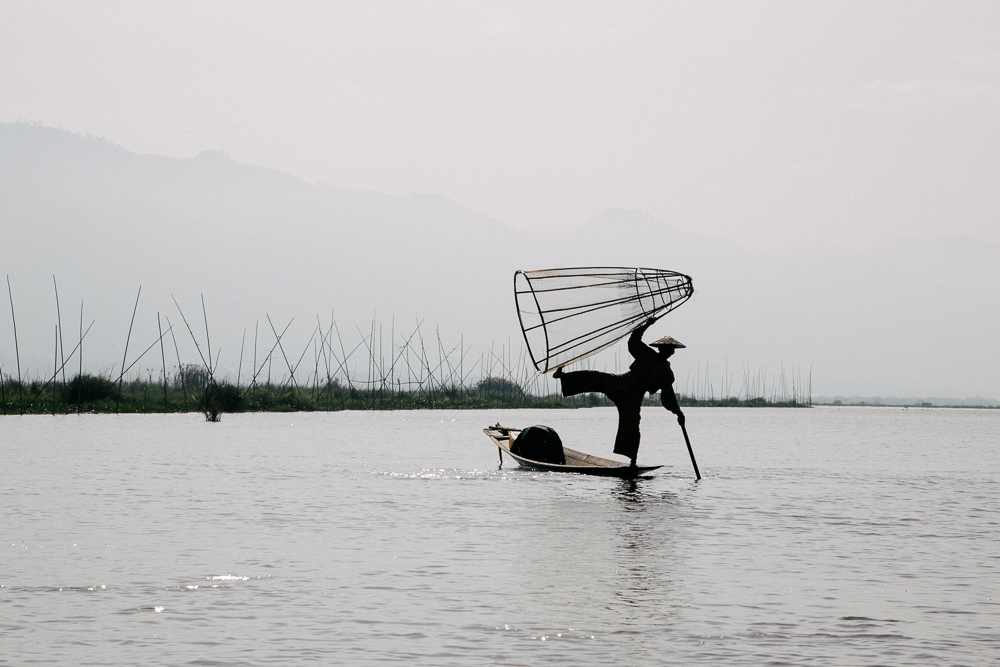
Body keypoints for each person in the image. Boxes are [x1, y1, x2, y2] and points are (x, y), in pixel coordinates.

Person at [553, 319, 685, 467]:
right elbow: (633, 341)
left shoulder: (667, 374)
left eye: (671, 350)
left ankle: (633, 461)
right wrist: (646, 324)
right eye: (667, 349)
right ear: (661, 349)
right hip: (621, 383)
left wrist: (678, 412)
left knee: (632, 427)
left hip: (633, 399)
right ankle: (563, 377)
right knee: (595, 377)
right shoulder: (647, 354)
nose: (670, 352)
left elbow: (668, 398)